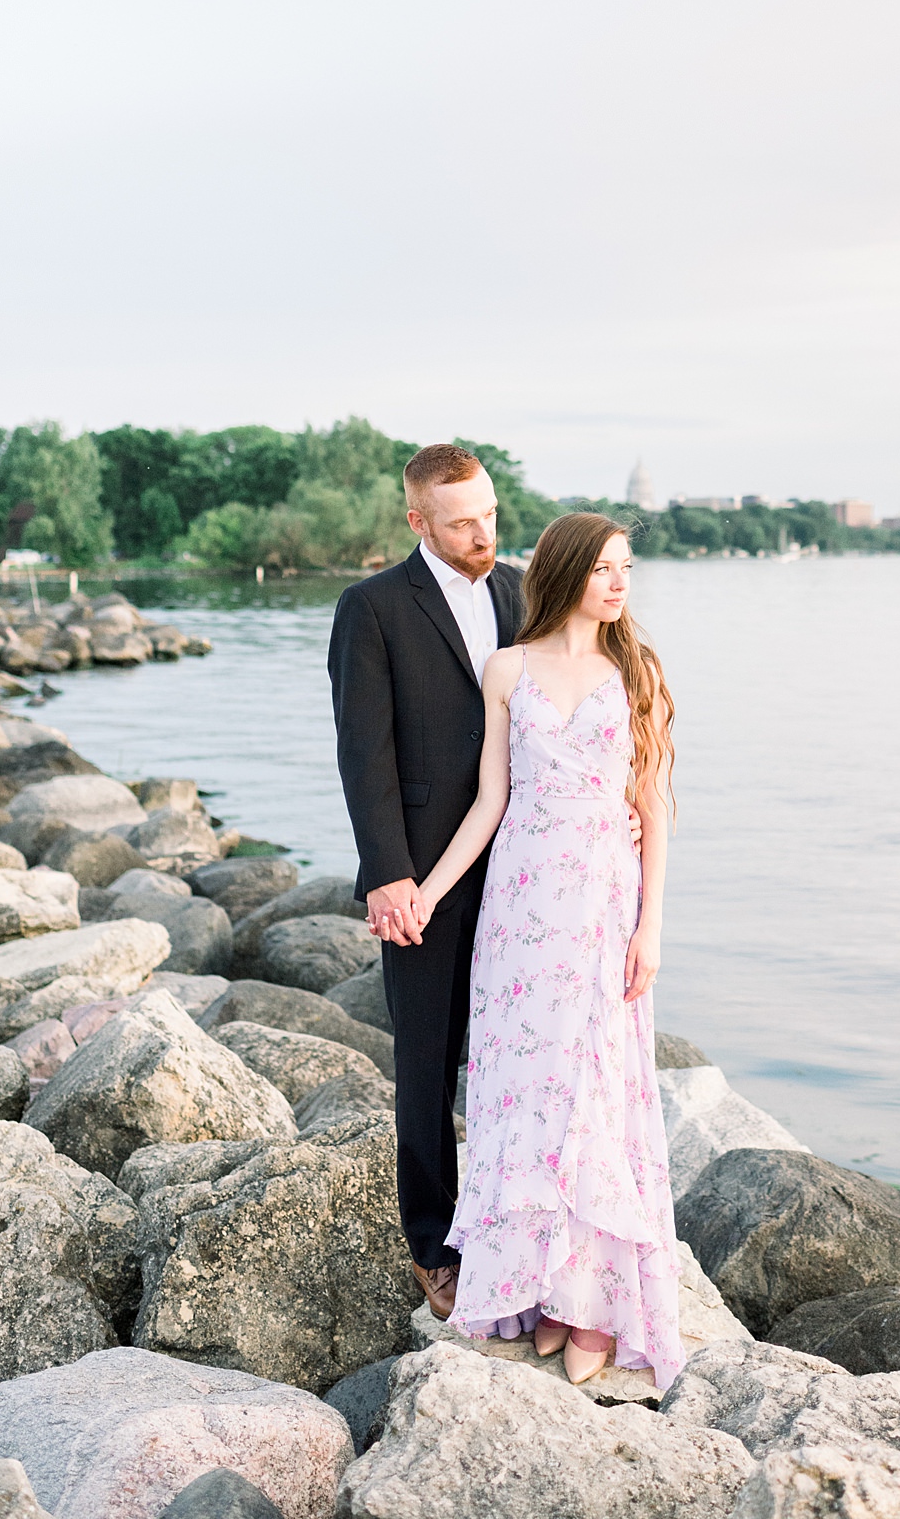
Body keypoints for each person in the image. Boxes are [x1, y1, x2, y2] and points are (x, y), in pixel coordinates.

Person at [414, 510, 682, 1390]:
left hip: (602, 909)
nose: (619, 585)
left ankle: (590, 1305)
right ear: (566, 574)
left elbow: (657, 808)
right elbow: (489, 801)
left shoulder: (635, 672)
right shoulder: (507, 670)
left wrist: (650, 925)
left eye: (627, 570)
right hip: (519, 913)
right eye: (605, 569)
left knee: (595, 1092)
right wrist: (428, 889)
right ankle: (531, 1289)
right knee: (521, 1093)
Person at [328, 444, 530, 1319]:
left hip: (527, 860)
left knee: (512, 1051)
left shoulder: (524, 590)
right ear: (418, 523)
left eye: (489, 514)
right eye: (461, 523)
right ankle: (432, 1240)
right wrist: (388, 877)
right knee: (426, 1055)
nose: (482, 534)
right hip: (424, 872)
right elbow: (361, 750)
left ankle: (508, 1223)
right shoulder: (371, 608)